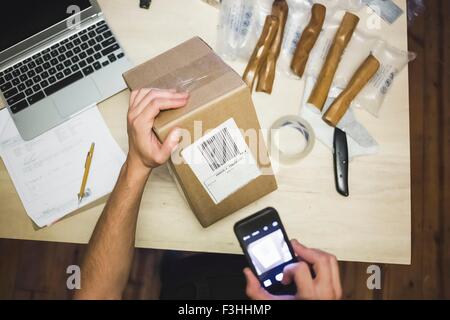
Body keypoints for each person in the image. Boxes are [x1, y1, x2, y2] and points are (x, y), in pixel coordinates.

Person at [73, 88, 342, 300]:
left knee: (185, 261)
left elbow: (96, 295)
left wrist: (137, 165)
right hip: (270, 280)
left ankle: (180, 263)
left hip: (194, 283)